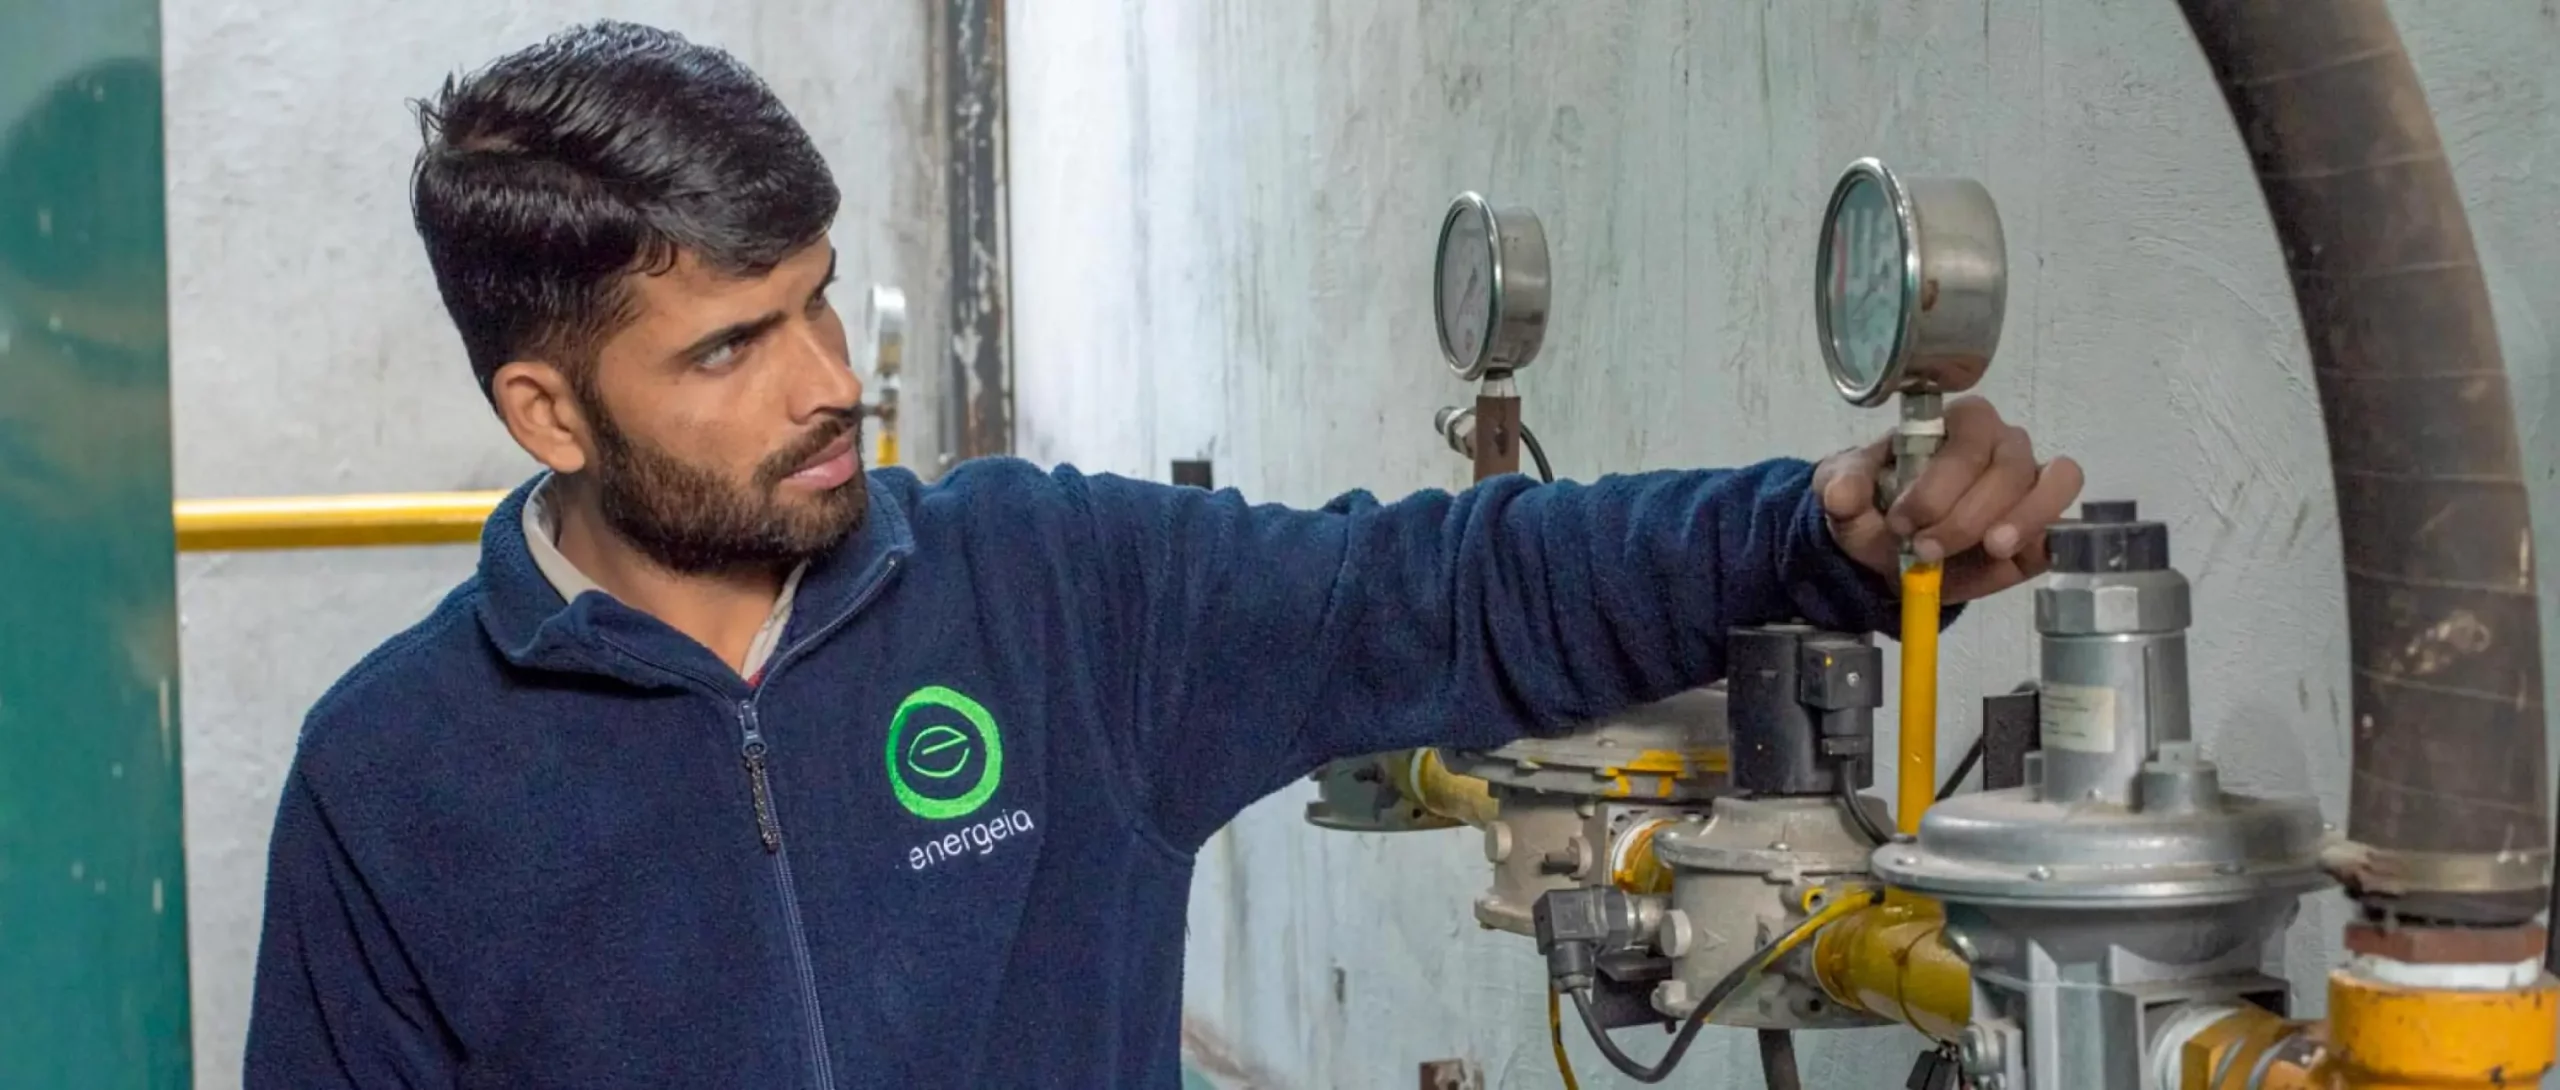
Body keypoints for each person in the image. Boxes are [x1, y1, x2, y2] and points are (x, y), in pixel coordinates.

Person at [243, 20, 2083, 1090]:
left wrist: (1817, 529)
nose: (828, 387)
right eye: (728, 348)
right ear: (550, 413)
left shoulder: (1057, 595)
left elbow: (1452, 585)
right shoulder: (396, 773)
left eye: (814, 300)